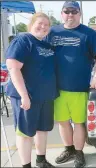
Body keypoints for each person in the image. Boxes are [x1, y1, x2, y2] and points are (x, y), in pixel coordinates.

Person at [45, 1, 96, 167]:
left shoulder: (88, 34)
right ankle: (69, 149)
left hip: (79, 87)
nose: (70, 15)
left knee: (79, 122)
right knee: (63, 122)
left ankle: (79, 153)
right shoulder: (52, 32)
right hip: (56, 88)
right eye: (67, 11)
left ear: (79, 14)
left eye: (74, 11)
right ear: (61, 14)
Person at [5, 13, 57, 168]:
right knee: (26, 133)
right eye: (40, 23)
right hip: (27, 96)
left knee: (43, 130)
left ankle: (41, 161)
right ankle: (25, 165)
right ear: (31, 24)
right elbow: (13, 68)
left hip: (45, 96)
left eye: (46, 25)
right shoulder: (23, 40)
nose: (43, 27)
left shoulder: (46, 44)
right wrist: (24, 96)